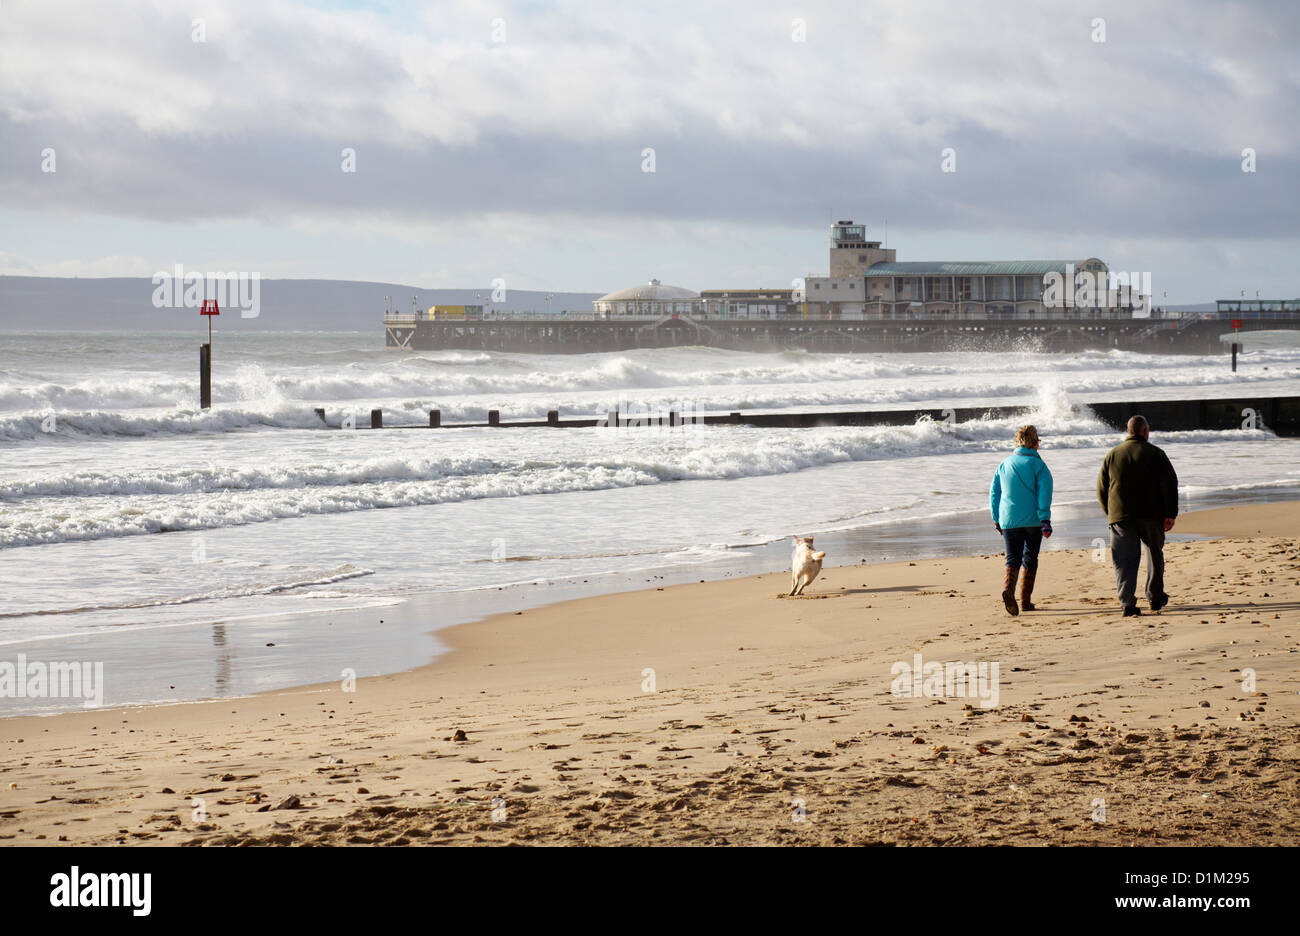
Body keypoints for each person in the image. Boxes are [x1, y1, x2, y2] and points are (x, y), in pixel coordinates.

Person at [1097, 415, 1179, 616]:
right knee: (1154, 555)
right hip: (1151, 515)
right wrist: (1170, 513)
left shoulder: (1113, 455)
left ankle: (1127, 602)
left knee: (1124, 560)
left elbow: (1101, 487)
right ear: (1145, 432)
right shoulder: (1156, 453)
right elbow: (1169, 484)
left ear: (1128, 431)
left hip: (1120, 516)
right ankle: (1155, 597)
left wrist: (1110, 512)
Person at [990, 425, 1054, 616]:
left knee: (1012, 558)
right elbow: (1045, 493)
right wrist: (1045, 519)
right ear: (1035, 443)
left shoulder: (1004, 464)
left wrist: (997, 519)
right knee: (1030, 557)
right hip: (1034, 521)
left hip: (1009, 520)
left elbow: (995, 494)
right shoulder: (1040, 466)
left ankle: (1008, 590)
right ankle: (1025, 601)